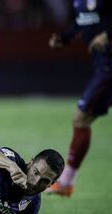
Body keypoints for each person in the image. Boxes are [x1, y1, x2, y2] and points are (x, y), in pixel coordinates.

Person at [47, 0, 112, 197]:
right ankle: (66, 182)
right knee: (81, 120)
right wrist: (64, 38)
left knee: (81, 118)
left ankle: (66, 182)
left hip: (109, 70)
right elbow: (80, 24)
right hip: (103, 68)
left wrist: (109, 35)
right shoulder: (79, 3)